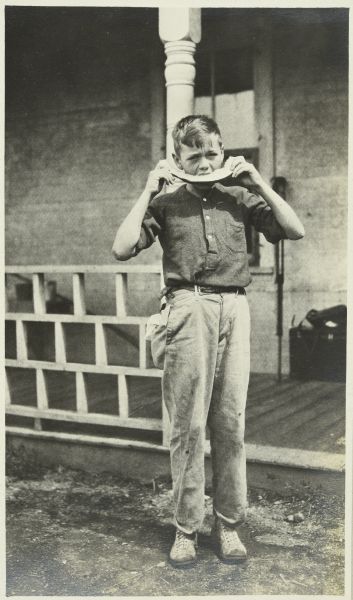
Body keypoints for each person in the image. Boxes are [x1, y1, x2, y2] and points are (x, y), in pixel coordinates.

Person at [112, 115, 304, 568]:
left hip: (234, 308)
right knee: (188, 425)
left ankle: (229, 526)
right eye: (192, 154)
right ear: (177, 158)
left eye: (211, 152)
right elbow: (121, 248)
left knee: (230, 424)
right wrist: (148, 189)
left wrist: (256, 179)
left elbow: (294, 230)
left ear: (223, 152)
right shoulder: (165, 202)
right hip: (187, 308)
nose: (203, 162)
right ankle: (185, 529)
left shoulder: (240, 197)